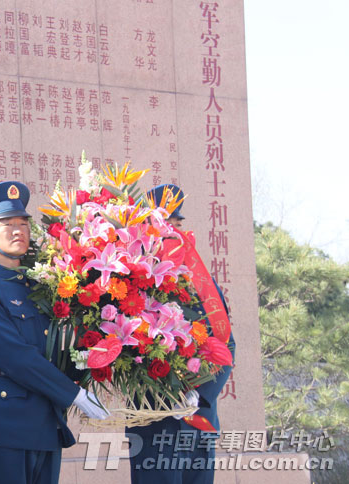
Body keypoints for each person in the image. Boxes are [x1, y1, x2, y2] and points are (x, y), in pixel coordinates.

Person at [0, 181, 109, 484]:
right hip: (5, 429)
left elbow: (63, 349)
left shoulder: (48, 288)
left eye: (23, 223)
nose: (18, 230)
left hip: (46, 427)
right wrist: (74, 395)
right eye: (6, 224)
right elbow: (15, 356)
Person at [126, 184, 236, 484]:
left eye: (175, 224)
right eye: (162, 224)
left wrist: (197, 394)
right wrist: (165, 392)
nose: (171, 231)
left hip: (200, 418)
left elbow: (227, 346)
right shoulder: (130, 281)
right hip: (154, 420)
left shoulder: (202, 282)